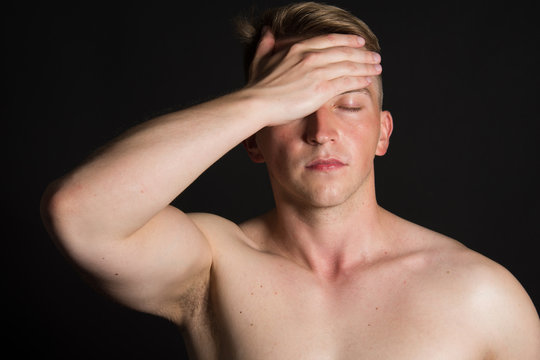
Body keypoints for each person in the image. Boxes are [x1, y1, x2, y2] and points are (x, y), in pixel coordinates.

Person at [41, 2, 540, 359]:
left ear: (382, 134)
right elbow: (79, 213)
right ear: (252, 140)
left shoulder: (483, 295)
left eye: (347, 106)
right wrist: (259, 101)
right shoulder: (214, 265)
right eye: (295, 110)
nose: (322, 132)